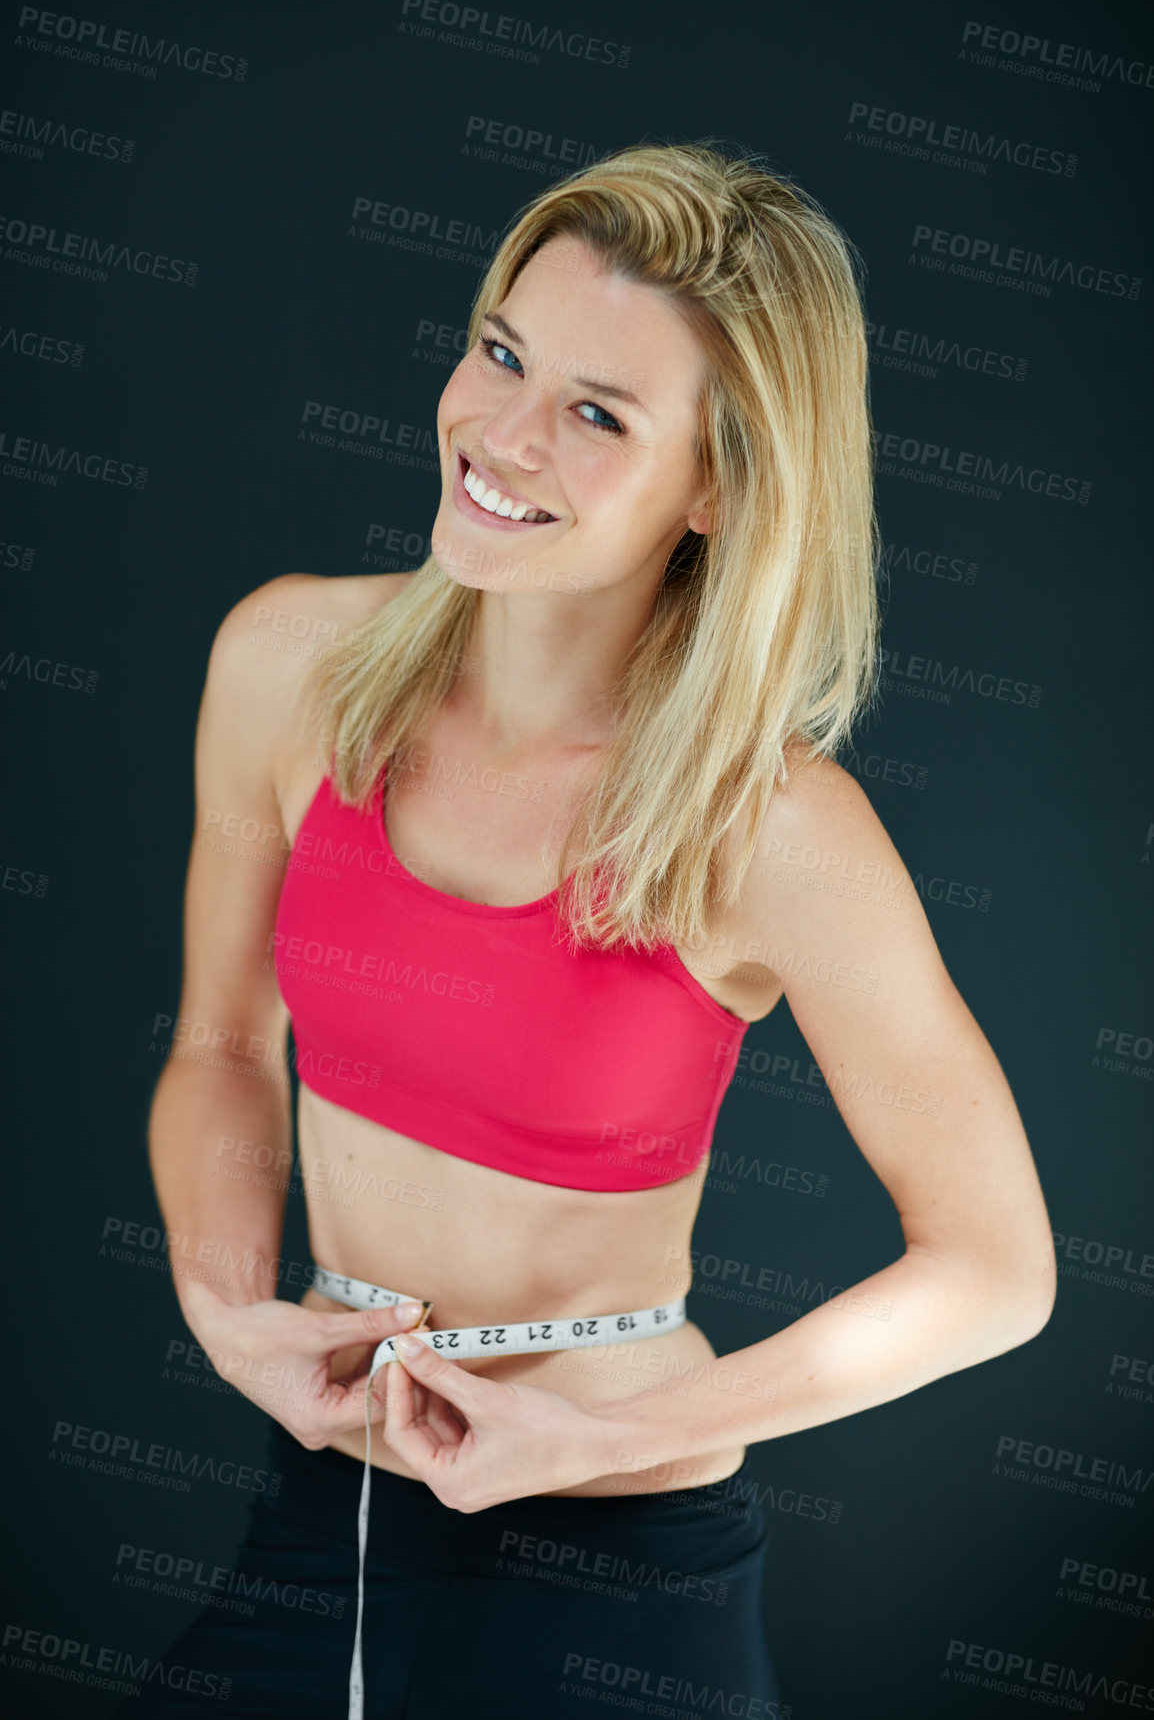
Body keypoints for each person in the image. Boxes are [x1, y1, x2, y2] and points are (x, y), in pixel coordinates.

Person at [116, 139, 1056, 1719]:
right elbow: (220, 1044)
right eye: (502, 353)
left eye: (596, 414)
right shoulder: (288, 664)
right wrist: (226, 1317)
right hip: (320, 1498)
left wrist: (599, 1439)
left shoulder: (765, 827)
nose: (499, 433)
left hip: (616, 1556)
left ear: (716, 489)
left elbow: (994, 1268)